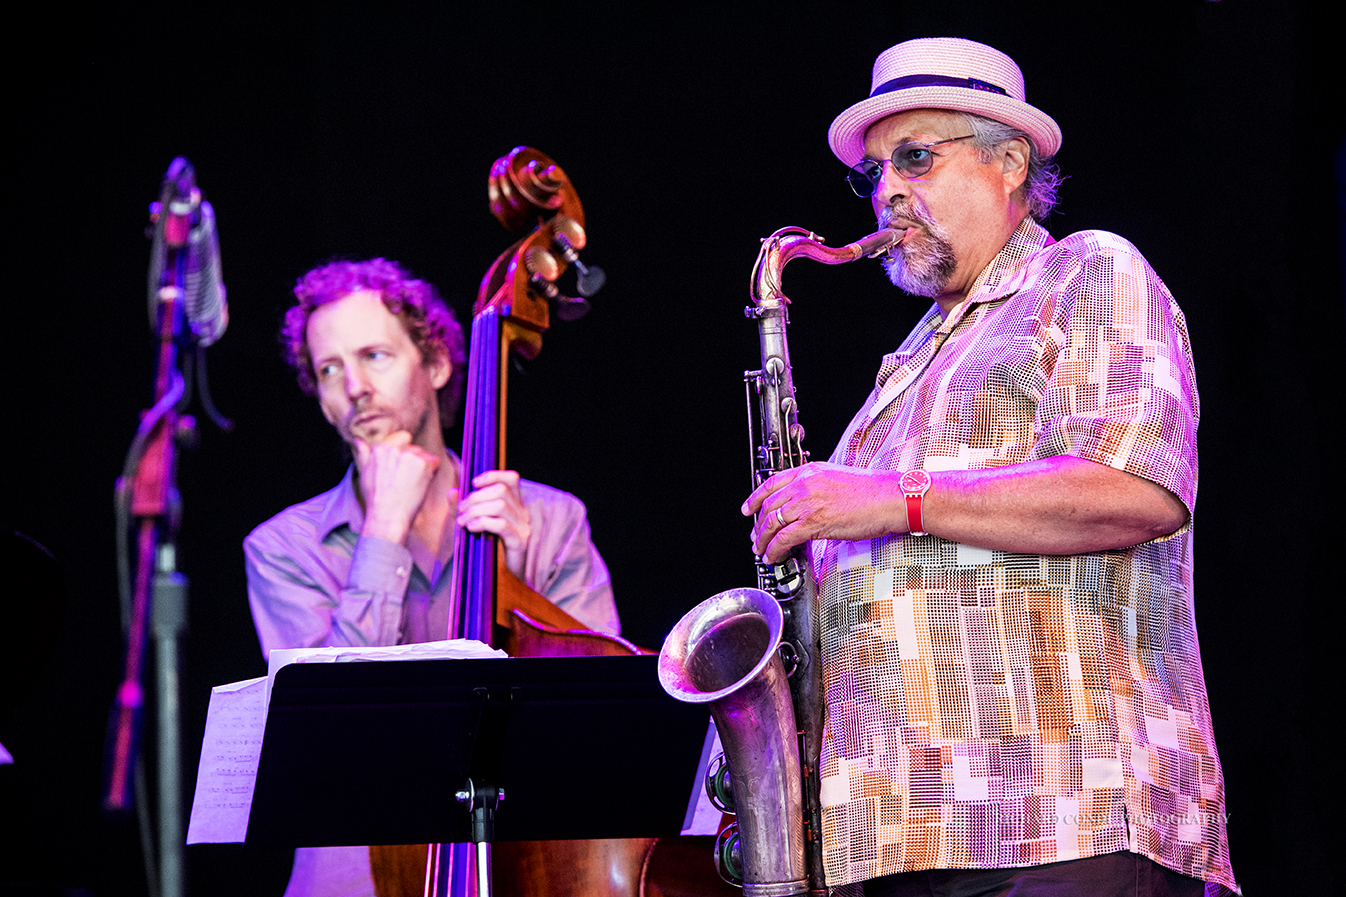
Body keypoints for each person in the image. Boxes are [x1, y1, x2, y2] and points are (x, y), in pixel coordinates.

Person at [742, 38, 1236, 896]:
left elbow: (1135, 489)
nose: (888, 190)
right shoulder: (904, 366)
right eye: (875, 174)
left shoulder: (1085, 270)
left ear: (1009, 163)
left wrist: (892, 497)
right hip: (895, 839)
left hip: (1059, 817)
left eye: (917, 158)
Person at [245, 257, 619, 897]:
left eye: (375, 356)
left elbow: (602, 724)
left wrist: (515, 579)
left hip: (524, 864)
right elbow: (331, 738)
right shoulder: (282, 547)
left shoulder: (551, 519)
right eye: (329, 370)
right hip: (351, 876)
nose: (354, 387)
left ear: (438, 365)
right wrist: (382, 534)